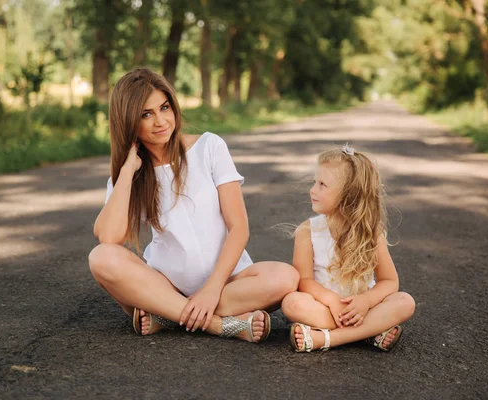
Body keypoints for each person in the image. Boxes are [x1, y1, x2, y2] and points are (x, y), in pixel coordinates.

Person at [88, 68, 298, 343]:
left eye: (164, 108)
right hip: (166, 285)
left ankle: (165, 316)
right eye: (146, 114)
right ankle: (217, 324)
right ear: (128, 122)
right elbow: (108, 237)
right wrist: (127, 170)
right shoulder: (131, 174)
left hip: (227, 283)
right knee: (101, 258)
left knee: (285, 277)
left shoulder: (209, 147)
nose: (161, 121)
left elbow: (239, 228)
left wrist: (212, 289)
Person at [281, 144, 416, 352]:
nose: (313, 190)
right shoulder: (307, 231)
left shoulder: (371, 233)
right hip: (325, 308)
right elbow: (304, 281)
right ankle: (370, 332)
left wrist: (365, 301)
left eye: (322, 185)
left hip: (362, 309)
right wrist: (331, 300)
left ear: (348, 195)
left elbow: (389, 281)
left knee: (405, 302)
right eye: (314, 182)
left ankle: (327, 339)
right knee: (292, 303)